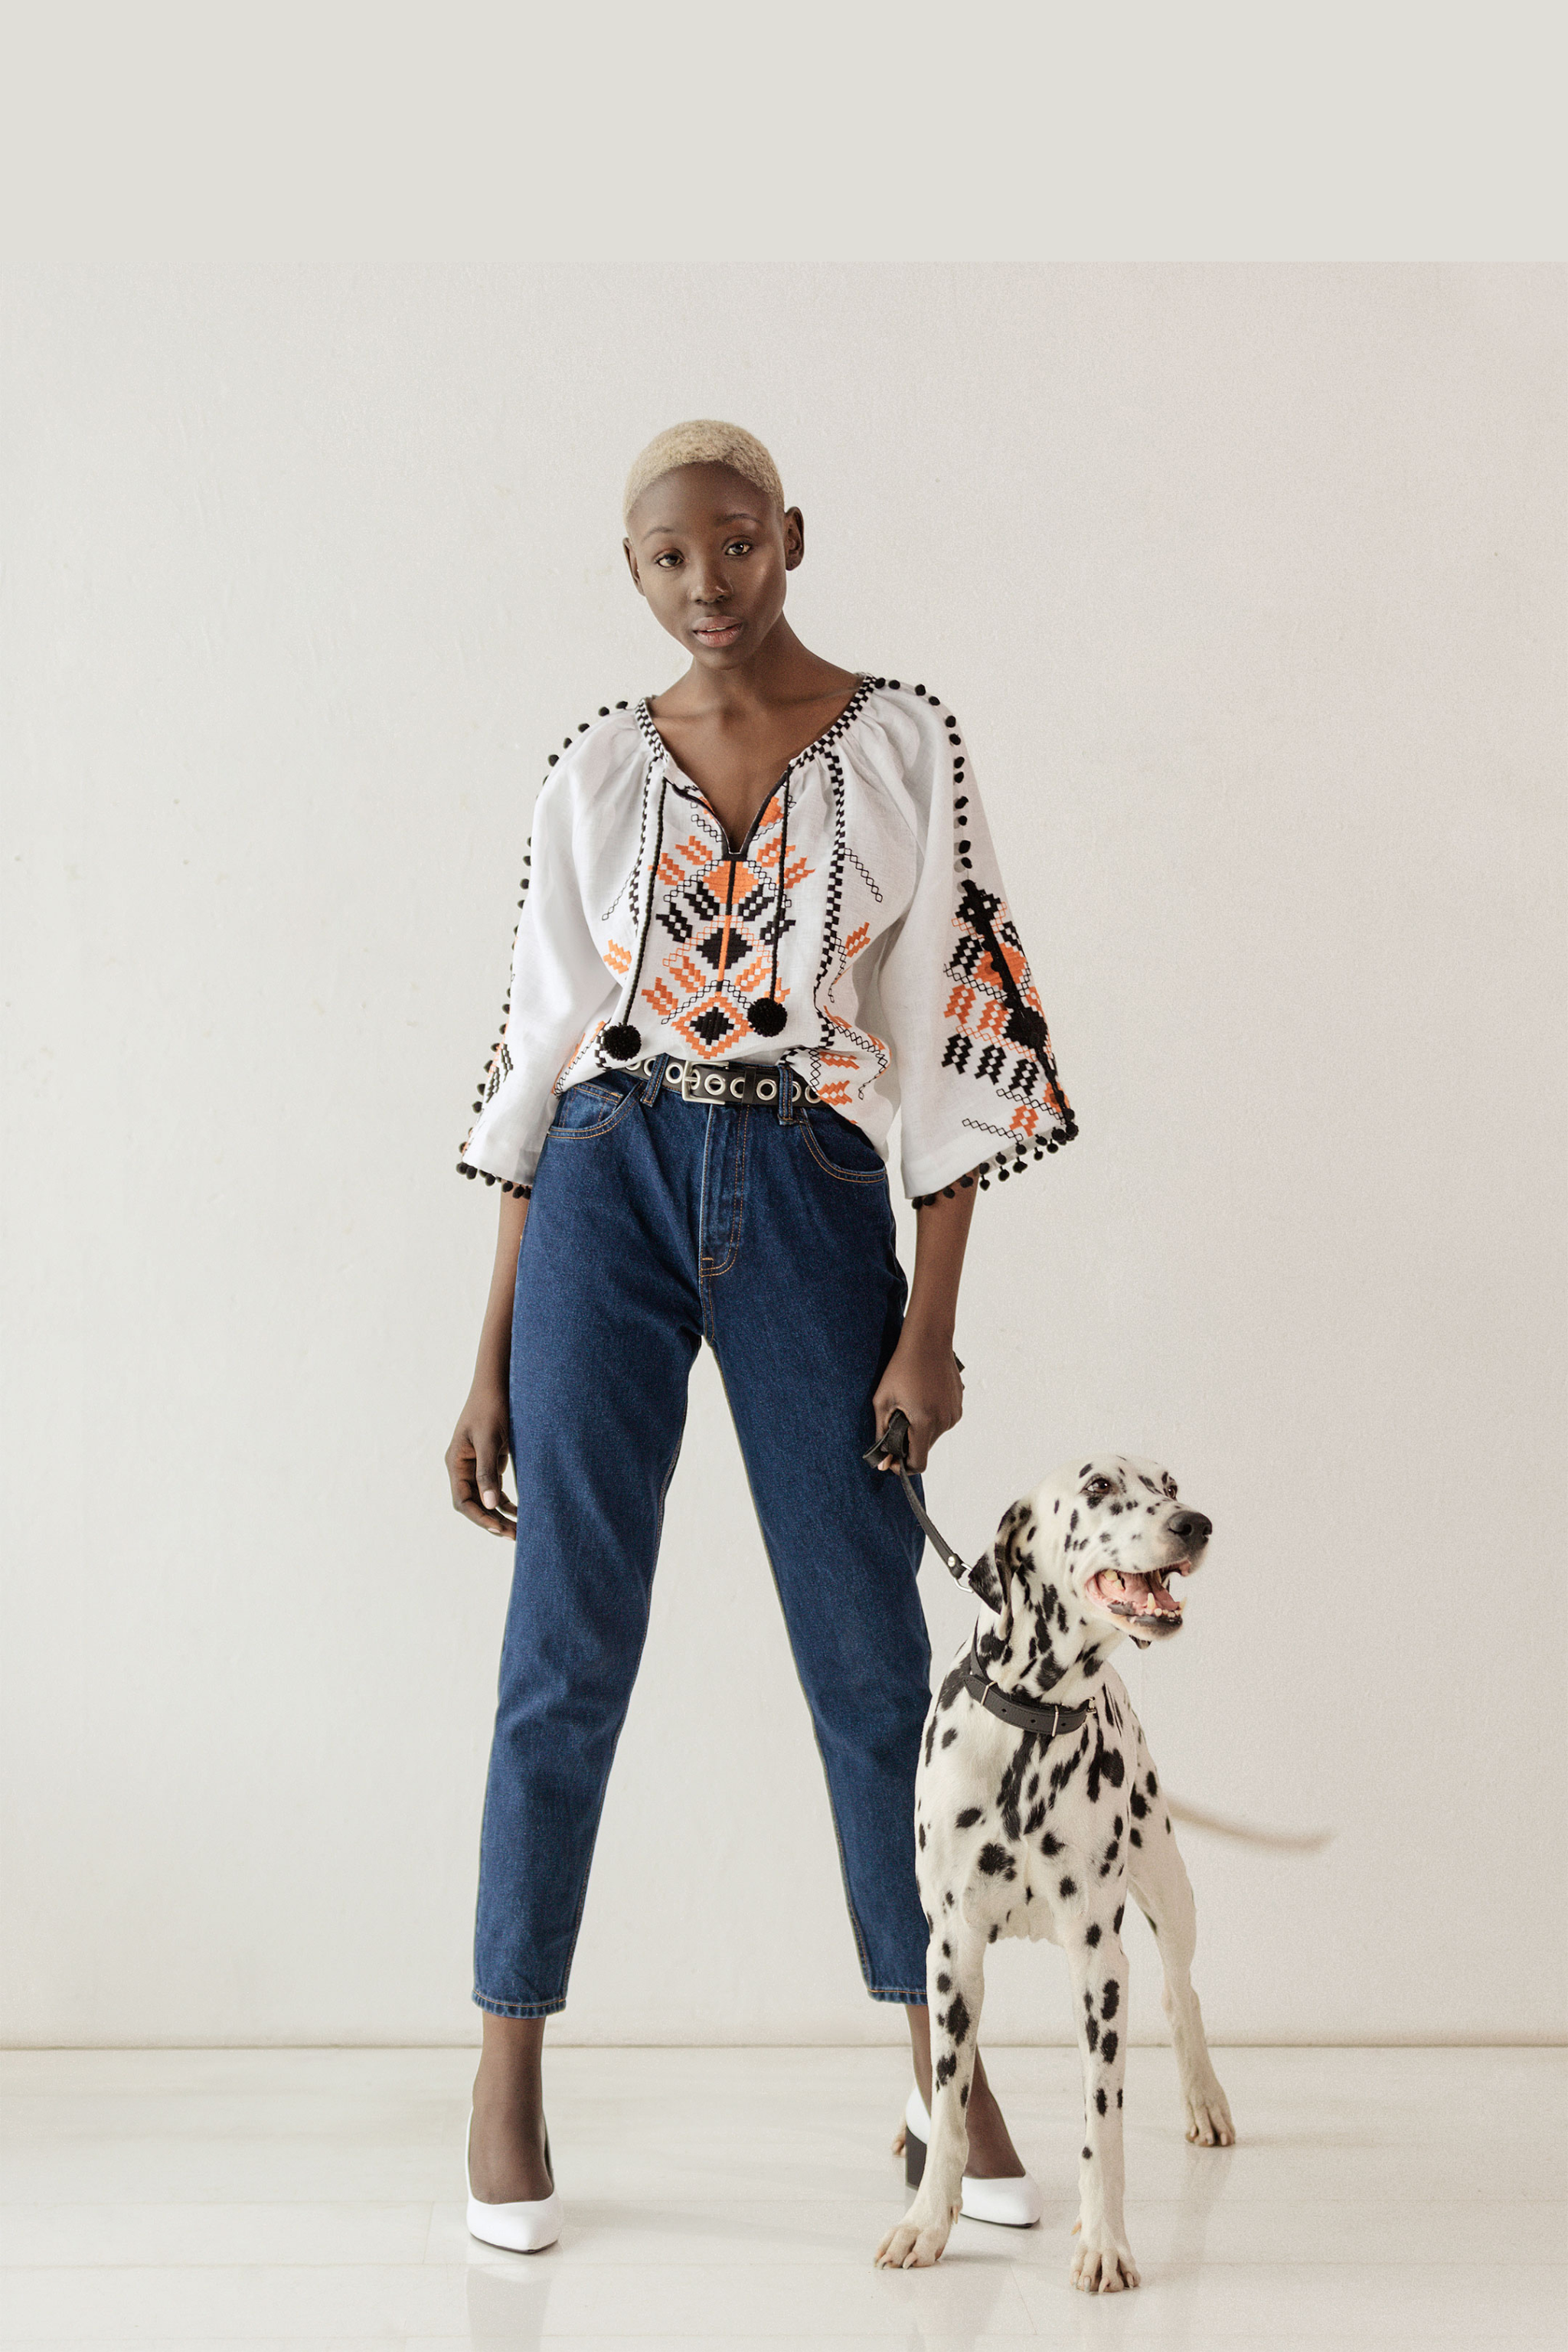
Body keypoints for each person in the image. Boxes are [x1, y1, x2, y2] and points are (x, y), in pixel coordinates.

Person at [444, 420, 1077, 2251]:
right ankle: (506, 2071)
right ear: (630, 569)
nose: (703, 585)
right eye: (664, 558)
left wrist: (931, 1334)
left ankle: (941, 2070)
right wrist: (488, 1353)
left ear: (790, 534)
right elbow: (534, 1047)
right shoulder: (589, 772)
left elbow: (961, 1017)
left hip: (805, 1192)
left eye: (733, 545)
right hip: (601, 1187)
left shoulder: (897, 743)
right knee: (564, 1646)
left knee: (870, 1657)